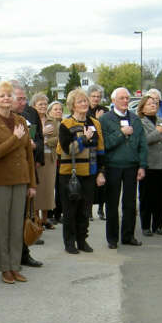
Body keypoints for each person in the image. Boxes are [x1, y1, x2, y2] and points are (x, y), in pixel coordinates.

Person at [0, 80, 37, 283]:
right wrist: (15, 138)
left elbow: (28, 155)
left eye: (9, 95)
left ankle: (15, 266)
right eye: (2, 95)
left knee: (16, 226)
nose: (6, 99)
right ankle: (4, 267)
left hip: (20, 178)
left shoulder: (21, 121)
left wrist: (32, 183)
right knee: (2, 226)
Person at [56, 88, 105, 253]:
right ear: (72, 106)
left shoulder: (95, 123)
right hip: (70, 174)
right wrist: (84, 139)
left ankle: (82, 240)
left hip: (89, 173)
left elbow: (100, 150)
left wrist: (101, 172)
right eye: (80, 101)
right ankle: (69, 243)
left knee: (85, 210)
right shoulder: (66, 124)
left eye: (85, 101)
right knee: (70, 210)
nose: (84, 104)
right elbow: (67, 149)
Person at [99, 87, 148, 249]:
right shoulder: (105, 120)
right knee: (112, 204)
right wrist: (121, 133)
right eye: (122, 98)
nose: (125, 101)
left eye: (127, 98)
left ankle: (128, 235)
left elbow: (142, 144)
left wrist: (142, 165)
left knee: (130, 203)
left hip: (131, 167)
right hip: (113, 166)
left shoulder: (135, 119)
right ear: (113, 101)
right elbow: (104, 144)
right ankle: (112, 239)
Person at [11, 81, 44, 265]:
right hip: (13, 172)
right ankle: (14, 255)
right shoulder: (7, 118)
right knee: (15, 218)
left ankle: (25, 252)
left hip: (30, 166)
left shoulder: (30, 114)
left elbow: (39, 138)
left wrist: (36, 149)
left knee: (26, 213)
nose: (23, 102)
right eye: (19, 98)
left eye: (24, 98)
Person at [137, 95, 162, 237]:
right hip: (148, 164)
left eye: (155, 103)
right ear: (143, 108)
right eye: (150, 103)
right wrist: (157, 132)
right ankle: (145, 226)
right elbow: (143, 141)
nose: (153, 105)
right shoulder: (140, 123)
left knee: (160, 196)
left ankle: (158, 225)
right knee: (146, 196)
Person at [30, 93, 56, 229]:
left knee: (48, 189)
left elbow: (57, 138)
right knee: (37, 189)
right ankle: (36, 219)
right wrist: (43, 134)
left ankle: (46, 219)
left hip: (50, 159)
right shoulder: (32, 121)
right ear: (34, 106)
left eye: (45, 104)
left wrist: (46, 140)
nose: (43, 106)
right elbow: (31, 138)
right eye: (40, 104)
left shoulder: (52, 120)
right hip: (37, 159)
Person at [86, 84, 108, 220]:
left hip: (101, 150)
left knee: (102, 181)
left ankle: (101, 209)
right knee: (89, 183)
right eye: (93, 96)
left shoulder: (104, 110)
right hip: (88, 150)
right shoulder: (85, 111)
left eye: (98, 97)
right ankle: (88, 211)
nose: (96, 99)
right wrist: (97, 121)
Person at [48, 101, 65, 224]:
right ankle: (49, 214)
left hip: (62, 159)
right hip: (51, 158)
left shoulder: (63, 123)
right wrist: (61, 138)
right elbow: (46, 140)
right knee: (50, 188)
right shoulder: (49, 123)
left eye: (60, 109)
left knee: (60, 188)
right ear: (50, 112)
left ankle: (58, 213)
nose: (58, 111)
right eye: (55, 109)